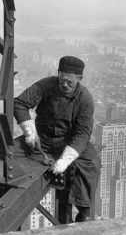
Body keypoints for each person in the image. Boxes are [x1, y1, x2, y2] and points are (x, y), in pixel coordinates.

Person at [14, 56, 101, 222]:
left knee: (92, 164)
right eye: (62, 79)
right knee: (8, 152)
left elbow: (83, 132)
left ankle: (83, 211)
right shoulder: (45, 85)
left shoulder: (85, 98)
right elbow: (20, 104)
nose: (65, 85)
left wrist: (65, 160)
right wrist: (30, 132)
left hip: (69, 141)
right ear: (58, 73)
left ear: (79, 79)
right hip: (42, 139)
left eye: (70, 82)